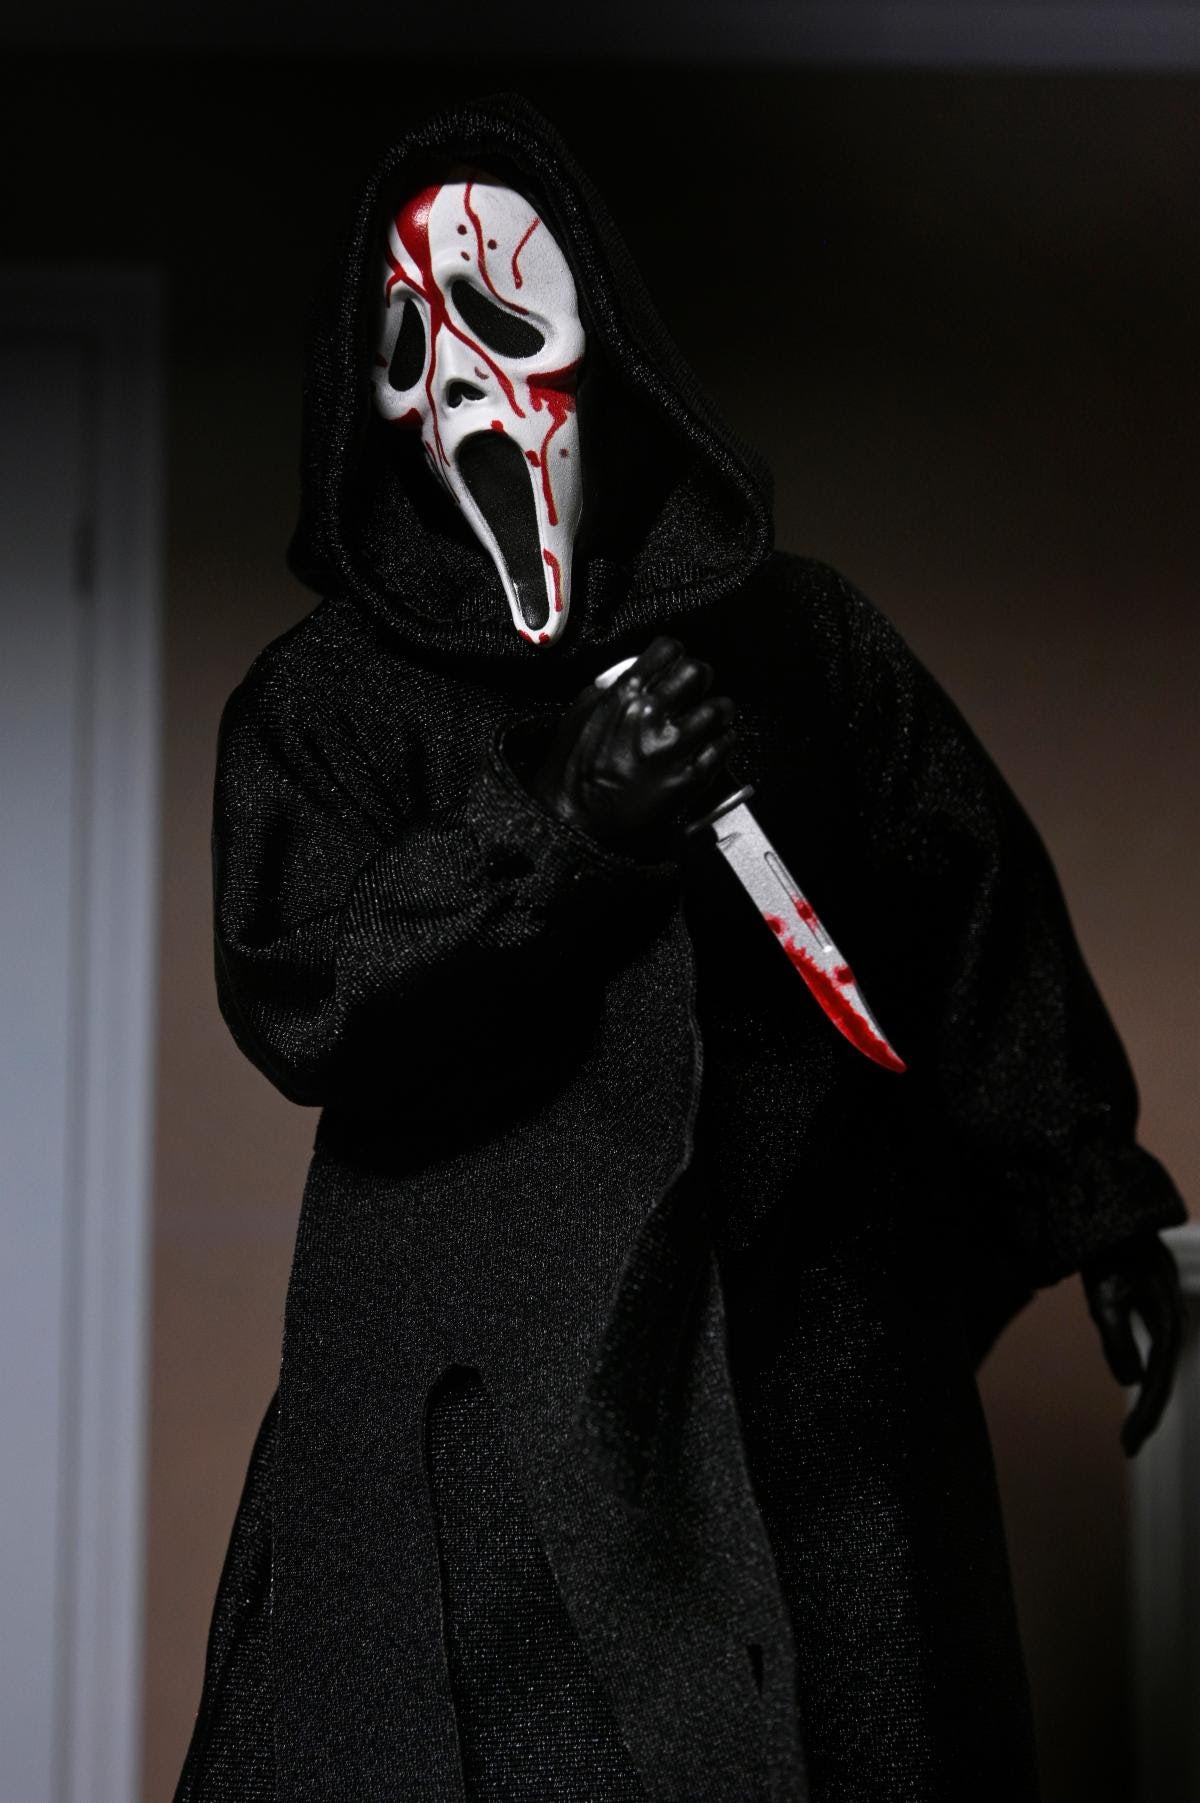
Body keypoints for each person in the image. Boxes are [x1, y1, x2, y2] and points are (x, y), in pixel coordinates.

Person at [175, 94, 1186, 1803]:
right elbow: (302, 994)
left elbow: (967, 900)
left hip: (809, 1399)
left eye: (500, 320)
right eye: (408, 348)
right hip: (478, 1429)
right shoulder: (326, 704)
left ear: (606, 340)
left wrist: (1088, 1190)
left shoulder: (806, 647)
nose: (461, 392)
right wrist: (560, 824)